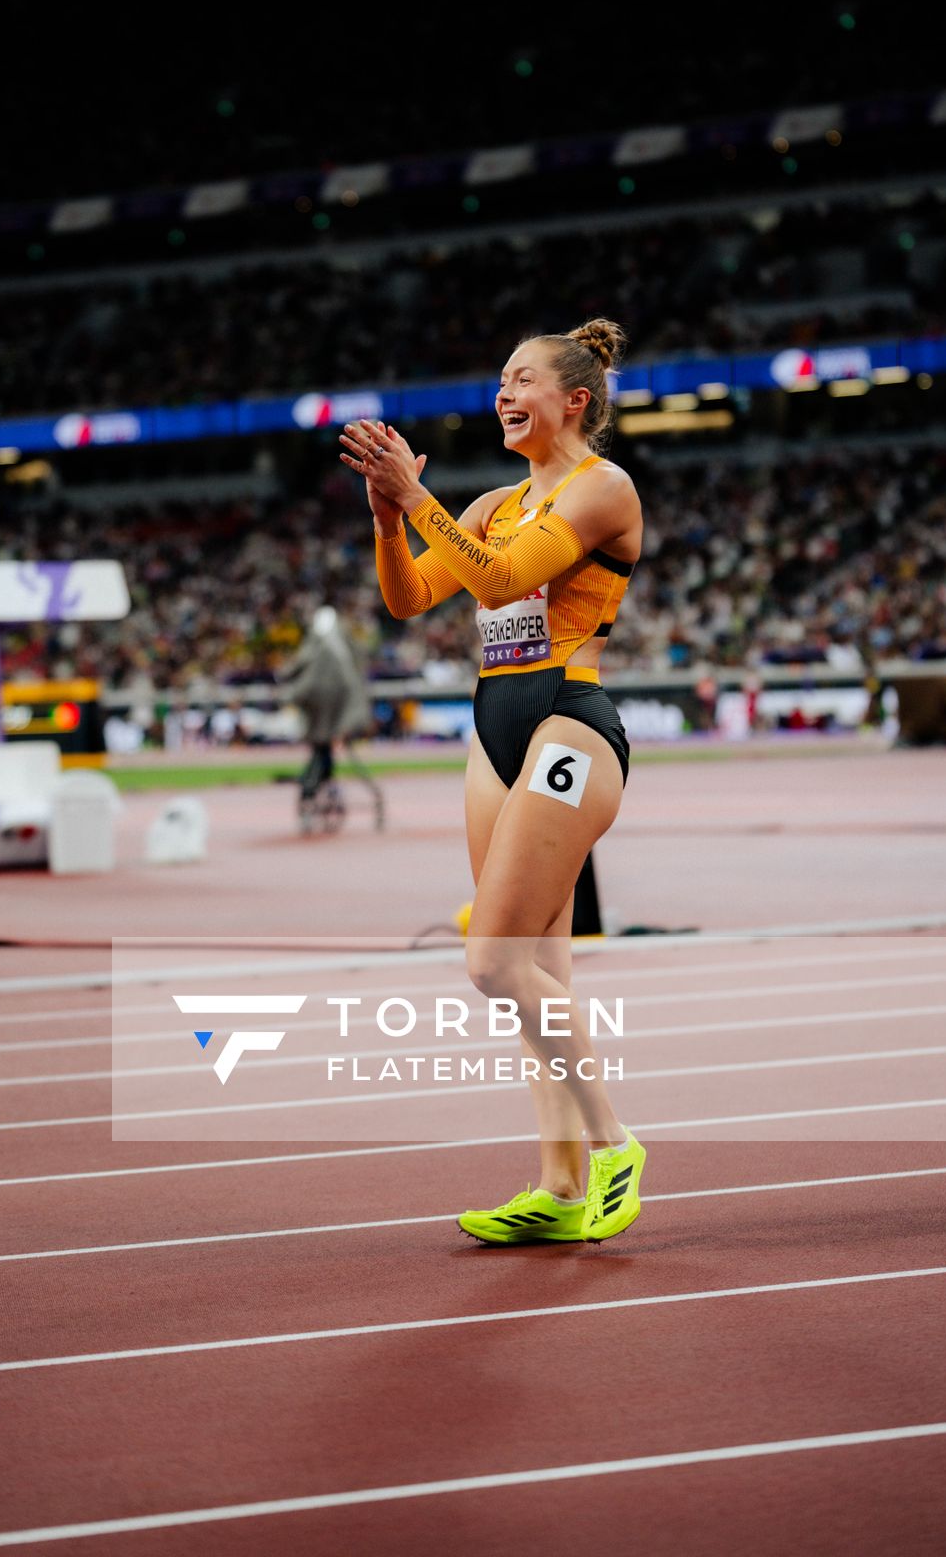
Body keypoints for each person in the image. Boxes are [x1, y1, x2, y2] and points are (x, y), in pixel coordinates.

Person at [340, 318, 646, 1244]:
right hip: (494, 732)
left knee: (492, 960)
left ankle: (614, 1144)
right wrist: (391, 517)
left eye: (522, 379)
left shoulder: (605, 489)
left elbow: (503, 580)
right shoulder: (488, 503)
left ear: (574, 400)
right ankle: (556, 1191)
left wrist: (418, 495)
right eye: (498, 381)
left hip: (570, 725)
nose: (503, 393)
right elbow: (408, 597)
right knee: (533, 974)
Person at [281, 604, 382, 830]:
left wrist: (290, 688)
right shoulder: (338, 644)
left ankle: (311, 790)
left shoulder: (323, 646)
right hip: (335, 714)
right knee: (322, 752)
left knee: (321, 752)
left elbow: (302, 673)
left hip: (332, 713)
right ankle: (315, 787)